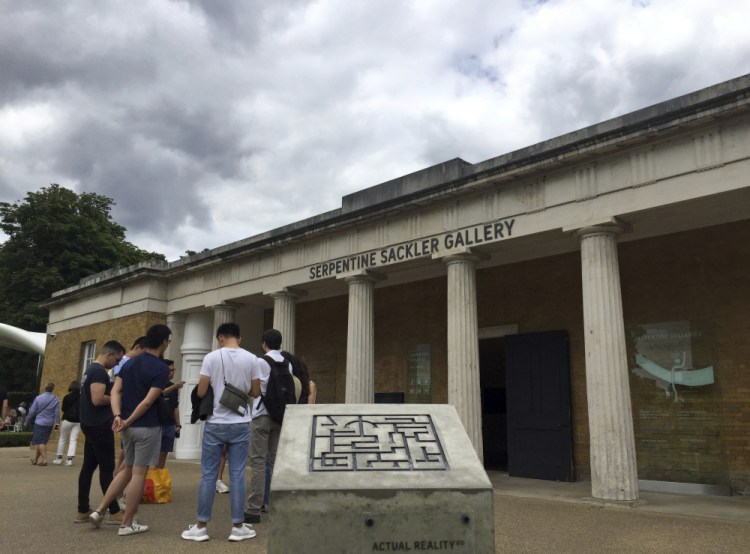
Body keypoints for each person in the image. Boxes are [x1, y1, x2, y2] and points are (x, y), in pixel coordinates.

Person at [90, 324, 171, 536]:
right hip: (146, 426)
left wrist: (119, 416)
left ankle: (99, 510)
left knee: (126, 469)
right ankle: (127, 524)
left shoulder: (130, 363)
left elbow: (116, 391)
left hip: (127, 426)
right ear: (164, 342)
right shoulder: (161, 368)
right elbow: (148, 401)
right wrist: (127, 419)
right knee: (138, 474)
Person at [181, 322, 257, 542]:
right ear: (239, 338)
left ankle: (201, 526)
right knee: (238, 473)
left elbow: (202, 389)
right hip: (241, 421)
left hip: (216, 422)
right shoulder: (252, 358)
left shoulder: (211, 358)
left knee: (209, 475)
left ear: (220, 337)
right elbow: (255, 391)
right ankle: (237, 527)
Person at [244, 329, 293, 524]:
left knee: (257, 461)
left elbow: (254, 390)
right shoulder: (287, 364)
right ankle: (275, 504)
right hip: (279, 415)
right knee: (275, 461)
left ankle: (254, 508)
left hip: (262, 414)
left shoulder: (260, 362)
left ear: (264, 343)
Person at [76, 340, 126, 524]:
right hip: (98, 425)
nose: (117, 364)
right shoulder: (98, 372)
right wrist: (116, 400)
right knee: (107, 469)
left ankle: (82, 509)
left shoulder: (90, 370)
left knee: (88, 467)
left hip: (90, 423)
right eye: (117, 360)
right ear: (109, 355)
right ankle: (113, 511)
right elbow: (97, 399)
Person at [156, 359, 184, 468]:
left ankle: (158, 476)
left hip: (170, 424)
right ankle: (149, 478)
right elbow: (160, 394)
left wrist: (178, 424)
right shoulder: (156, 384)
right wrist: (175, 386)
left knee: (164, 453)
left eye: (173, 370)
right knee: (154, 453)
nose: (172, 373)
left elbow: (175, 407)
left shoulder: (173, 386)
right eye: (169, 370)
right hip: (157, 424)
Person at [27, 382, 61, 465]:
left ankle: (45, 460)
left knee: (41, 441)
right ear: (52, 389)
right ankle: (35, 460)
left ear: (45, 388)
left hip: (39, 422)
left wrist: (26, 421)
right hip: (49, 423)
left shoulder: (38, 398)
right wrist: (56, 425)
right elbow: (57, 413)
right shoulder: (56, 399)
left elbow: (32, 411)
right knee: (42, 441)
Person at [54, 380, 82, 466]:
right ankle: (69, 460)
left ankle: (59, 458)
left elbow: (63, 409)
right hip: (78, 421)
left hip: (67, 419)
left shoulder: (67, 397)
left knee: (62, 438)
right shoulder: (82, 397)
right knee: (73, 440)